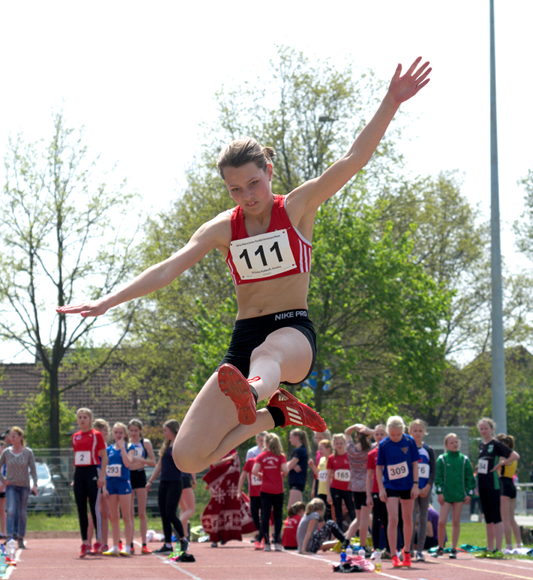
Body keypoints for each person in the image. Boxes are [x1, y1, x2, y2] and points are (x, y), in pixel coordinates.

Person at [57, 59, 431, 473]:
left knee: (267, 355)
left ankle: (254, 393)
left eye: (254, 183)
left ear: (269, 172)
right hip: (244, 338)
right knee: (186, 457)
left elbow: (352, 159)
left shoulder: (298, 208)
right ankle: (277, 414)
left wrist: (391, 102)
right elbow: (168, 268)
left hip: (292, 333)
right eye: (235, 189)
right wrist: (107, 301)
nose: (247, 196)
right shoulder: (223, 228)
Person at [376, 415, 420, 568]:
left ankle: (407, 552)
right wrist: (381, 489)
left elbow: (415, 464)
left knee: (407, 518)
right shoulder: (384, 445)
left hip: (408, 484)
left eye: (398, 434)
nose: (395, 437)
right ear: (388, 432)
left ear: (403, 431)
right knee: (393, 519)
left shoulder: (409, 441)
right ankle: (393, 554)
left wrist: (416, 484)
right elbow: (378, 468)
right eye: (392, 434)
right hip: (391, 486)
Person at [476, 418, 519, 552]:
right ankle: (489, 548)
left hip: (493, 483)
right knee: (488, 518)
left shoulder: (496, 444)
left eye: (486, 428)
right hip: (482, 484)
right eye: (481, 429)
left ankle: (498, 548)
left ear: (492, 429)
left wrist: (501, 463)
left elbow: (515, 455)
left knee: (496, 517)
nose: (484, 431)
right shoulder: (481, 445)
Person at [71, 408, 108, 558]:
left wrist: (102, 476)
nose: (82, 420)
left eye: (85, 417)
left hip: (92, 472)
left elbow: (104, 457)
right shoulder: (75, 437)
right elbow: (76, 457)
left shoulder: (96, 435)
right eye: (79, 417)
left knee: (94, 507)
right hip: (79, 473)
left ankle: (99, 540)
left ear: (90, 419)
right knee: (80, 508)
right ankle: (85, 542)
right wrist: (74, 479)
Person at [147, 420, 187, 554]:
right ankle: (168, 544)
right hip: (164, 482)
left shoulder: (179, 444)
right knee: (163, 514)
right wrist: (150, 481)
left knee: (170, 512)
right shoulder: (166, 445)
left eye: (166, 430)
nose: (164, 433)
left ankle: (183, 539)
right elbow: (159, 465)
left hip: (175, 482)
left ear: (173, 430)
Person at [434, 433, 476, 558]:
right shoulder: (442, 459)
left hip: (459, 495)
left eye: (456, 442)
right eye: (451, 442)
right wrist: (440, 492)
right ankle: (440, 547)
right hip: (446, 495)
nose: (454, 444)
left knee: (456, 521)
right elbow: (438, 477)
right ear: (446, 445)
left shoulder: (464, 459)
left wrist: (469, 493)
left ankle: (453, 548)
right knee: (441, 522)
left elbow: (470, 478)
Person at [202, 449, 255, 546]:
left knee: (232, 508)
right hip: (218, 488)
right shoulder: (216, 450)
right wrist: (229, 459)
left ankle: (225, 536)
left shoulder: (233, 451)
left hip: (231, 489)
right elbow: (213, 464)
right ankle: (215, 538)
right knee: (216, 510)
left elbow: (236, 469)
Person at [102, 422, 138, 556]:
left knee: (126, 516)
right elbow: (105, 469)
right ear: (113, 433)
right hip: (111, 484)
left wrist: (122, 449)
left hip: (123, 484)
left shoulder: (130, 447)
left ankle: (128, 546)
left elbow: (128, 463)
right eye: (116, 432)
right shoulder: (108, 450)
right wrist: (104, 487)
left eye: (121, 433)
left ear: (125, 434)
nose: (118, 435)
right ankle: (115, 545)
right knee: (113, 517)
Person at [0, 426, 38, 549]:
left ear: (20, 437)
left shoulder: (28, 452)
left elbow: (33, 470)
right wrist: (3, 480)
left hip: (24, 486)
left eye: (14, 436)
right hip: (11, 486)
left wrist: (35, 484)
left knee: (21, 512)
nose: (12, 438)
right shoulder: (6, 452)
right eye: (11, 436)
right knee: (10, 510)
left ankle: (20, 537)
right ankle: (10, 537)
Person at [253, 432, 288, 551]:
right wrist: (280, 474)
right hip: (278, 489)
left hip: (265, 489)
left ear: (266, 443)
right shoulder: (280, 456)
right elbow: (285, 470)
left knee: (265, 516)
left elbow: (254, 471)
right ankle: (277, 541)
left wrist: (263, 475)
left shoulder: (262, 456)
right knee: (278, 516)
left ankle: (267, 542)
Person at [408, 419, 436, 562]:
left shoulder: (428, 450)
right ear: (409, 432)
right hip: (412, 489)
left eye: (420, 431)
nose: (418, 433)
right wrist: (413, 486)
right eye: (415, 430)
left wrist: (427, 486)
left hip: (425, 489)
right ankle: (409, 548)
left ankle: (420, 550)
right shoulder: (406, 449)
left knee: (424, 519)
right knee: (411, 519)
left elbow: (432, 471)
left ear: (424, 432)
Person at [127, 418, 156, 553]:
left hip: (139, 475)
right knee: (129, 513)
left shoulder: (145, 443)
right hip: (127, 476)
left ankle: (144, 543)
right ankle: (130, 543)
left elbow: (153, 462)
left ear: (140, 431)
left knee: (142, 512)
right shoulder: (126, 444)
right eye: (131, 430)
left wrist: (140, 460)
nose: (133, 433)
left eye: (136, 431)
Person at [344, 425, 372, 551]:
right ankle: (363, 545)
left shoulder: (351, 449)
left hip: (355, 486)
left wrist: (355, 426)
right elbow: (385, 436)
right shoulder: (371, 450)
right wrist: (370, 431)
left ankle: (347, 540)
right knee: (365, 518)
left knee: (359, 517)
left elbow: (346, 432)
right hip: (367, 486)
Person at [88, 417, 111, 554]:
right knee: (93, 514)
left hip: (108, 479)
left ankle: (104, 543)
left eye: (104, 432)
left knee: (105, 513)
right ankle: (90, 542)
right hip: (95, 479)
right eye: (98, 432)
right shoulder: (92, 448)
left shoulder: (109, 449)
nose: (101, 434)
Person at [496, 433, 523, 551]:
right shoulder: (512, 455)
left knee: (505, 518)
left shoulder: (503, 457)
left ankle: (508, 545)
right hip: (511, 485)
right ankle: (519, 543)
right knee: (512, 518)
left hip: (504, 484)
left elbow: (497, 467)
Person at [365, 424, 389, 553]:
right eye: (377, 434)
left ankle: (390, 547)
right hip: (375, 490)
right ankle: (376, 548)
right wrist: (368, 495)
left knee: (389, 519)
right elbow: (369, 476)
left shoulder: (391, 451)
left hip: (390, 489)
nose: (379, 437)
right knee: (376, 519)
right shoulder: (371, 454)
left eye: (382, 434)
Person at [326, 434, 356, 528]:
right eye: (337, 443)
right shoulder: (331, 458)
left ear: (345, 444)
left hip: (349, 489)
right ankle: (340, 536)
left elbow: (354, 474)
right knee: (338, 513)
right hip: (336, 488)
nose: (339, 445)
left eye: (341, 443)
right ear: (333, 445)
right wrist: (328, 494)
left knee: (352, 511)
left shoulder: (350, 456)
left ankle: (357, 534)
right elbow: (328, 476)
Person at [238, 447, 264, 548]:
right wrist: (239, 490)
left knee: (264, 516)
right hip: (253, 494)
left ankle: (261, 537)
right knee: (254, 515)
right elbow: (243, 476)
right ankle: (260, 533)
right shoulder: (250, 462)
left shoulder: (265, 461)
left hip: (265, 493)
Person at [286, 428, 309, 507]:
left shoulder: (299, 450)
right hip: (296, 483)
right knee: (297, 509)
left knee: (291, 508)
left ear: (297, 437)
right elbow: (291, 464)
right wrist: (293, 465)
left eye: (291, 437)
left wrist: (290, 465)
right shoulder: (300, 450)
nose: (290, 440)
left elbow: (287, 467)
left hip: (297, 482)